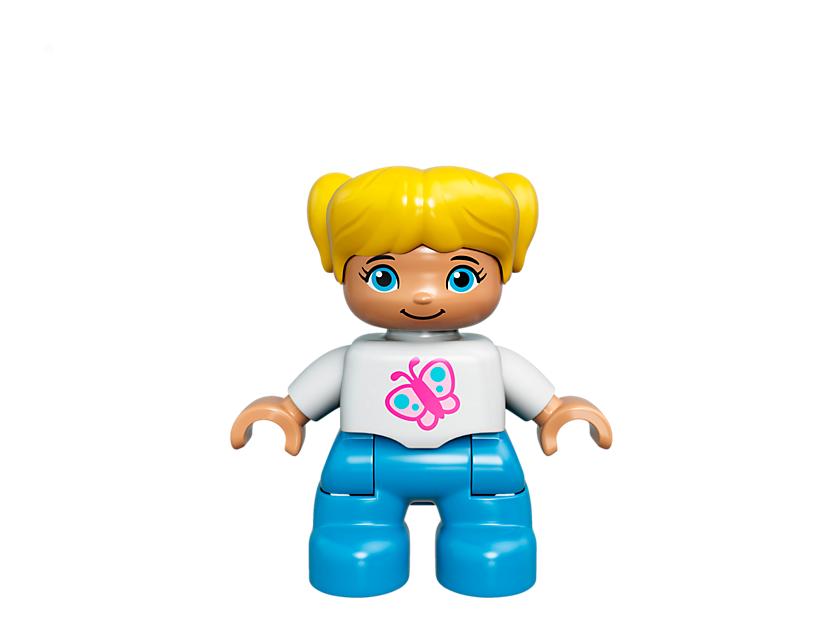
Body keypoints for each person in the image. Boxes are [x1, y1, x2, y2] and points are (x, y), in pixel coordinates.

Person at [230, 166, 612, 597]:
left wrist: (555, 413)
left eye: (460, 277)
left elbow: (536, 396)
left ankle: (487, 539)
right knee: (351, 542)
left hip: (479, 467)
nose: (424, 294)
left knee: (492, 543)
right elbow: (306, 397)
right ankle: (357, 539)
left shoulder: (486, 356)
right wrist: (287, 413)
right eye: (384, 276)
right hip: (367, 468)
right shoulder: (358, 357)